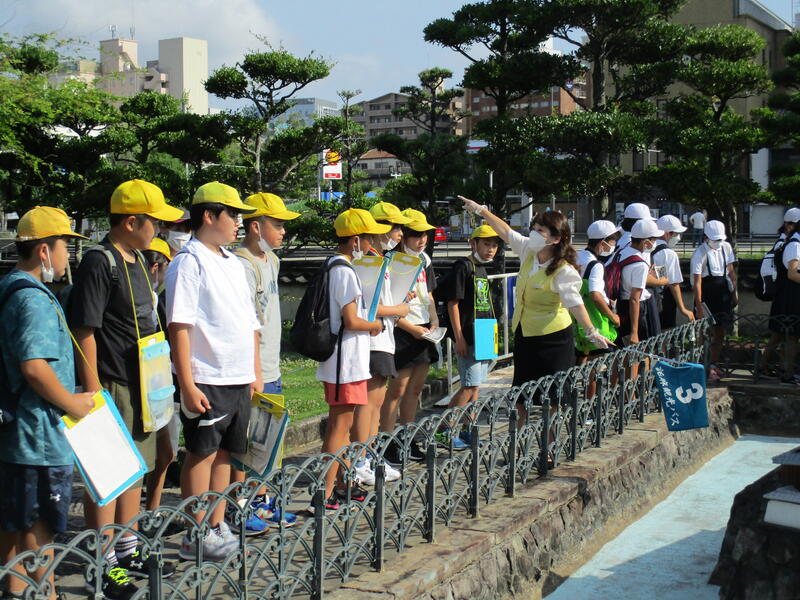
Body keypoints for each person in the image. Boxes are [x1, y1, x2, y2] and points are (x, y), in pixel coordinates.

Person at [69, 179, 182, 597]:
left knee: (136, 468)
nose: (159, 229)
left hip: (144, 384)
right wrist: (94, 391)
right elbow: (86, 329)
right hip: (113, 381)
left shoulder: (136, 259)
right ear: (131, 221)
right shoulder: (100, 262)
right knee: (108, 475)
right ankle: (102, 561)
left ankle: (127, 546)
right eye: (154, 221)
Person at [0, 207, 95, 600]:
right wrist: (72, 402)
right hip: (37, 434)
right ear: (43, 250)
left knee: (13, 520)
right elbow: (35, 367)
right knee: (38, 526)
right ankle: (45, 593)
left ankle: (14, 589)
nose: (67, 258)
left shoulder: (9, 286)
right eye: (64, 248)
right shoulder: (35, 300)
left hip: (16, 433)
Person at [165, 182, 262, 559]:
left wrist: (254, 371)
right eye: (233, 214)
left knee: (227, 455)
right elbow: (180, 326)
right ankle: (195, 531)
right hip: (207, 376)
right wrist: (187, 383)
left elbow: (250, 322)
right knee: (201, 453)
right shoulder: (189, 261)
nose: (239, 222)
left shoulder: (233, 263)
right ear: (209, 215)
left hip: (238, 377)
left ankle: (216, 523)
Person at [458, 197, 611, 395]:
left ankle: (553, 416)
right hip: (525, 332)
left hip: (553, 337)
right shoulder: (529, 249)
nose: (533, 233)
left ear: (555, 239)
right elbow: (506, 232)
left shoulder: (564, 270)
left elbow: (575, 303)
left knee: (553, 395)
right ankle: (523, 416)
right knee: (521, 394)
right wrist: (481, 210)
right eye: (534, 228)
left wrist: (591, 331)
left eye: (540, 230)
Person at [231, 192, 300, 529]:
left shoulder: (271, 260)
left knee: (269, 440)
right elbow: (245, 325)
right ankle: (240, 504)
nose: (283, 231)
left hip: (272, 366)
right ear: (255, 226)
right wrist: (253, 372)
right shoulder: (241, 265)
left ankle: (263, 500)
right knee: (246, 443)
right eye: (277, 224)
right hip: (253, 370)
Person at [315, 209, 384, 510]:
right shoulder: (344, 270)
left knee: (342, 426)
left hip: (345, 361)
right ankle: (325, 492)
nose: (373, 243)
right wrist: (375, 325)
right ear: (356, 240)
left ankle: (342, 483)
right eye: (369, 238)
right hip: (344, 363)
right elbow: (352, 320)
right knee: (339, 427)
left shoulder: (336, 266)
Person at [348, 202, 411, 482]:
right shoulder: (368, 262)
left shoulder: (381, 259)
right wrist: (398, 309)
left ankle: (370, 455)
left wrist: (400, 302)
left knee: (377, 401)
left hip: (384, 339)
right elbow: (366, 306)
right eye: (395, 228)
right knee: (368, 402)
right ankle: (359, 459)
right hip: (373, 341)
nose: (399, 234)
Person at [380, 209, 440, 456]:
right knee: (397, 390)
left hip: (424, 328)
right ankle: (386, 442)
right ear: (403, 234)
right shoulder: (391, 259)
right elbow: (387, 303)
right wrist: (411, 328)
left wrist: (434, 319)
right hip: (402, 329)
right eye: (416, 234)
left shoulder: (424, 259)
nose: (422, 239)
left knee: (415, 389)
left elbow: (429, 293)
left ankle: (408, 438)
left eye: (425, 234)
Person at [437, 224, 501, 442]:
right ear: (473, 243)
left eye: (494, 245)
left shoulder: (481, 268)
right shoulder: (463, 266)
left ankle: (468, 429)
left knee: (476, 386)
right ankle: (444, 429)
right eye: (486, 244)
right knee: (468, 385)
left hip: (484, 331)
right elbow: (452, 303)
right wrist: (459, 338)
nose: (490, 249)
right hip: (469, 333)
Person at [140, 237, 182, 519]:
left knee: (165, 453)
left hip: (159, 385)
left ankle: (152, 512)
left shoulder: (156, 298)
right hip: (146, 386)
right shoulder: (149, 299)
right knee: (148, 456)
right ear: (156, 267)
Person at [691, 220, 737, 383]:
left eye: (720, 239)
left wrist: (734, 293)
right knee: (704, 332)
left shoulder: (726, 247)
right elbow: (697, 282)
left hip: (723, 291)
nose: (718, 242)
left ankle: (714, 362)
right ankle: (703, 364)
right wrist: (699, 306)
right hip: (707, 292)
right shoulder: (700, 253)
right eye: (715, 239)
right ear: (706, 237)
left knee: (720, 331)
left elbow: (731, 272)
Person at [759, 207, 800, 379]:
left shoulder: (787, 242)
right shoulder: (794, 245)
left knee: (780, 334)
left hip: (786, 296)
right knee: (791, 335)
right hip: (790, 297)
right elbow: (792, 273)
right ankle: (788, 374)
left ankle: (765, 367)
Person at [575, 220, 620, 363]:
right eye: (612, 242)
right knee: (597, 364)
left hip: (576, 317)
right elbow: (595, 294)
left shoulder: (577, 256)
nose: (613, 245)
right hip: (595, 319)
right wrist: (613, 317)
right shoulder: (596, 265)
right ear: (602, 243)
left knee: (581, 356)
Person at [615, 219, 665, 343]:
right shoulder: (640, 264)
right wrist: (634, 332)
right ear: (646, 242)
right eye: (654, 240)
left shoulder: (622, 252)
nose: (655, 243)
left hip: (621, 305)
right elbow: (634, 299)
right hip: (636, 310)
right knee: (642, 348)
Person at [653, 215, 695, 329]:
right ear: (667, 233)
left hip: (645, 297)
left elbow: (661, 274)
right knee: (664, 333)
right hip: (662, 300)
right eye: (676, 234)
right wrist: (683, 308)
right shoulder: (668, 254)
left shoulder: (647, 247)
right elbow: (673, 283)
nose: (678, 237)